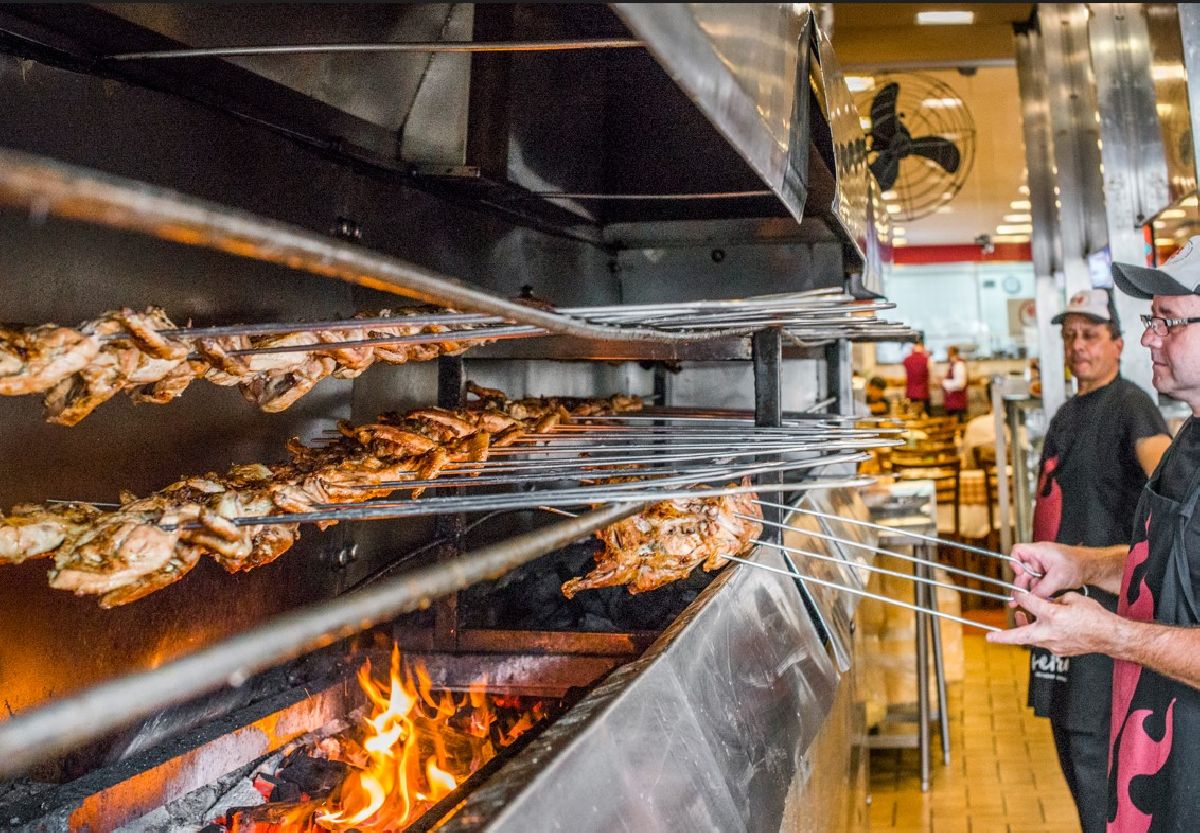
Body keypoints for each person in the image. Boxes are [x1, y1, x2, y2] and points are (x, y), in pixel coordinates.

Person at [988, 236, 1200, 831]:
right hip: (1160, 761)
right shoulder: (1192, 442)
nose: (1147, 338)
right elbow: (1165, 556)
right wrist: (1080, 565)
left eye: (1168, 321)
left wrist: (1112, 634)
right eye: (1148, 319)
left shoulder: (1138, 412)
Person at [1024, 288, 1170, 833]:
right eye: (1070, 336)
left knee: (1095, 759)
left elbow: (1162, 462)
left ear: (1116, 342)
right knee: (1069, 743)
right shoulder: (1068, 411)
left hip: (1105, 616)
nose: (1079, 346)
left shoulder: (1131, 404)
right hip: (1062, 609)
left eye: (1090, 335)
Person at [903, 337, 932, 415]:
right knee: (925, 418)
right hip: (923, 394)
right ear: (922, 346)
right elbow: (931, 377)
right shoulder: (927, 359)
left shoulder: (906, 360)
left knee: (911, 417)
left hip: (910, 394)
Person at [942, 345, 968, 420]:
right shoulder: (953, 364)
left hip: (957, 403)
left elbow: (960, 384)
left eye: (949, 353)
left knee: (958, 425)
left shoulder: (959, 364)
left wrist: (944, 382)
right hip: (952, 403)